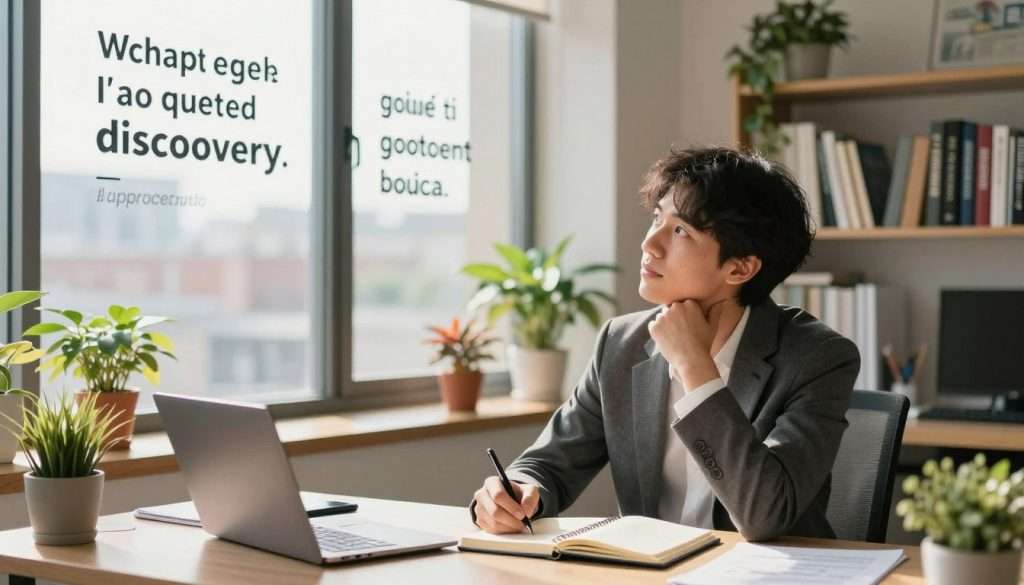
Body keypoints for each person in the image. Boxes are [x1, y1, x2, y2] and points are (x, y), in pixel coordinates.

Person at [470, 146, 860, 541]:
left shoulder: (818, 358)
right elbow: (548, 465)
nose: (649, 244)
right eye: (657, 218)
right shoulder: (620, 345)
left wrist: (696, 370)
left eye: (680, 231)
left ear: (740, 267)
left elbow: (765, 515)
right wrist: (515, 491)